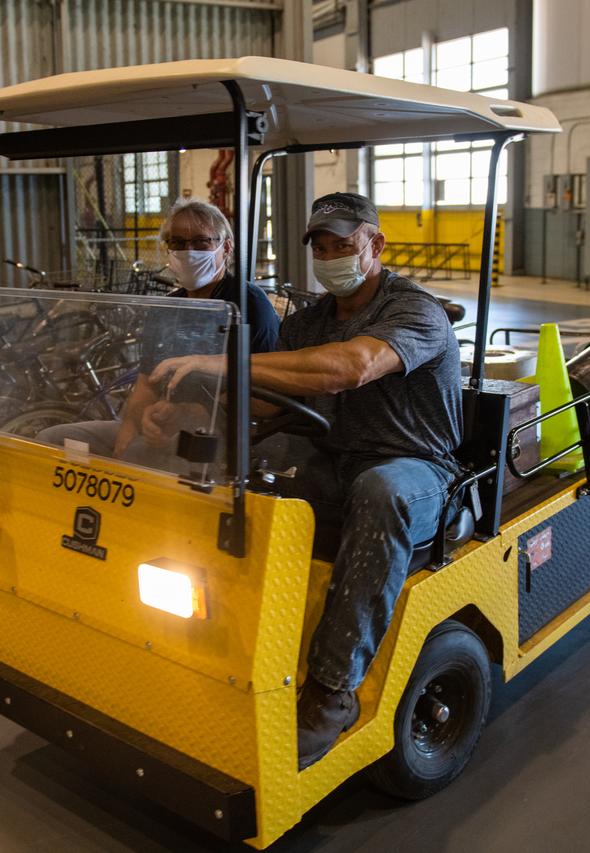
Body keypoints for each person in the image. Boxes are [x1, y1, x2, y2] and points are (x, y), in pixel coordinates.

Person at [150, 192, 462, 768]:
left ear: (376, 244)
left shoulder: (415, 310)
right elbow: (273, 404)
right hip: (331, 452)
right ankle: (223, 640)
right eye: (320, 247)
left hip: (413, 465)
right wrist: (198, 403)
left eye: (342, 245)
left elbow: (349, 368)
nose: (329, 256)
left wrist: (224, 363)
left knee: (380, 492)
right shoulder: (312, 319)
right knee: (238, 470)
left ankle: (331, 691)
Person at [38, 197, 279, 466]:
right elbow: (146, 384)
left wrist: (191, 414)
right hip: (164, 426)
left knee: (141, 457)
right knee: (54, 439)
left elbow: (267, 398)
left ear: (226, 248)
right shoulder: (167, 308)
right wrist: (129, 430)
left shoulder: (248, 304)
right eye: (177, 243)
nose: (188, 251)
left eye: (201, 242)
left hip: (219, 437)